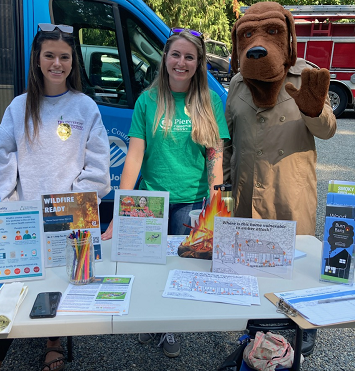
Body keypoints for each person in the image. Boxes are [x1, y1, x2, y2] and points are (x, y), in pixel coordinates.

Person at [0, 23, 110, 371]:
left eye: (65, 57)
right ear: (37, 60)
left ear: (74, 62)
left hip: (70, 217)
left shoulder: (85, 107)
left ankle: (53, 342)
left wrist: (72, 204)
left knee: (62, 277)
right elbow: (3, 159)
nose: (57, 63)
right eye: (50, 55)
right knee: (12, 287)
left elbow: (98, 166)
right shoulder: (18, 107)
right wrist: (8, 205)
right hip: (25, 215)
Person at [102, 28, 230, 357]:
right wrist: (120, 210)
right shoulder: (148, 100)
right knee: (146, 267)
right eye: (176, 54)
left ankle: (170, 326)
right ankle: (150, 320)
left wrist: (216, 206)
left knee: (179, 268)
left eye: (189, 56)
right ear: (165, 58)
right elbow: (134, 157)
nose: (181, 62)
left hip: (189, 201)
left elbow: (214, 156)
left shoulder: (209, 101)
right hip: (149, 202)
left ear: (199, 62)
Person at [223, 2, 336, 357]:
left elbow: (329, 130)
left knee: (294, 270)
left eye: (272, 32)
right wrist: (225, 186)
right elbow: (231, 138)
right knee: (249, 272)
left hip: (289, 197)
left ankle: (299, 334)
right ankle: (256, 339)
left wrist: (313, 110)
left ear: (288, 40)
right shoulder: (237, 83)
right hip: (245, 199)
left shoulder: (305, 76)